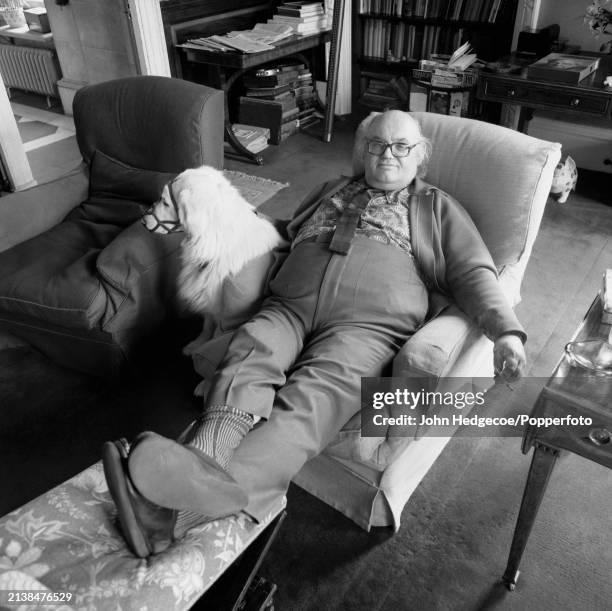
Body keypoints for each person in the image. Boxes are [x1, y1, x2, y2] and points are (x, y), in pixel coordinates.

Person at [102, 110, 526, 558]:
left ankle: (172, 517)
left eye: (401, 146)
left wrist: (506, 332)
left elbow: (476, 273)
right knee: (249, 354)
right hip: (289, 303)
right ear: (362, 150)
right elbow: (283, 234)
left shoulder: (437, 206)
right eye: (377, 144)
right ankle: (201, 460)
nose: (387, 155)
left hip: (368, 325)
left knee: (311, 401)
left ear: (420, 156)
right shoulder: (332, 189)